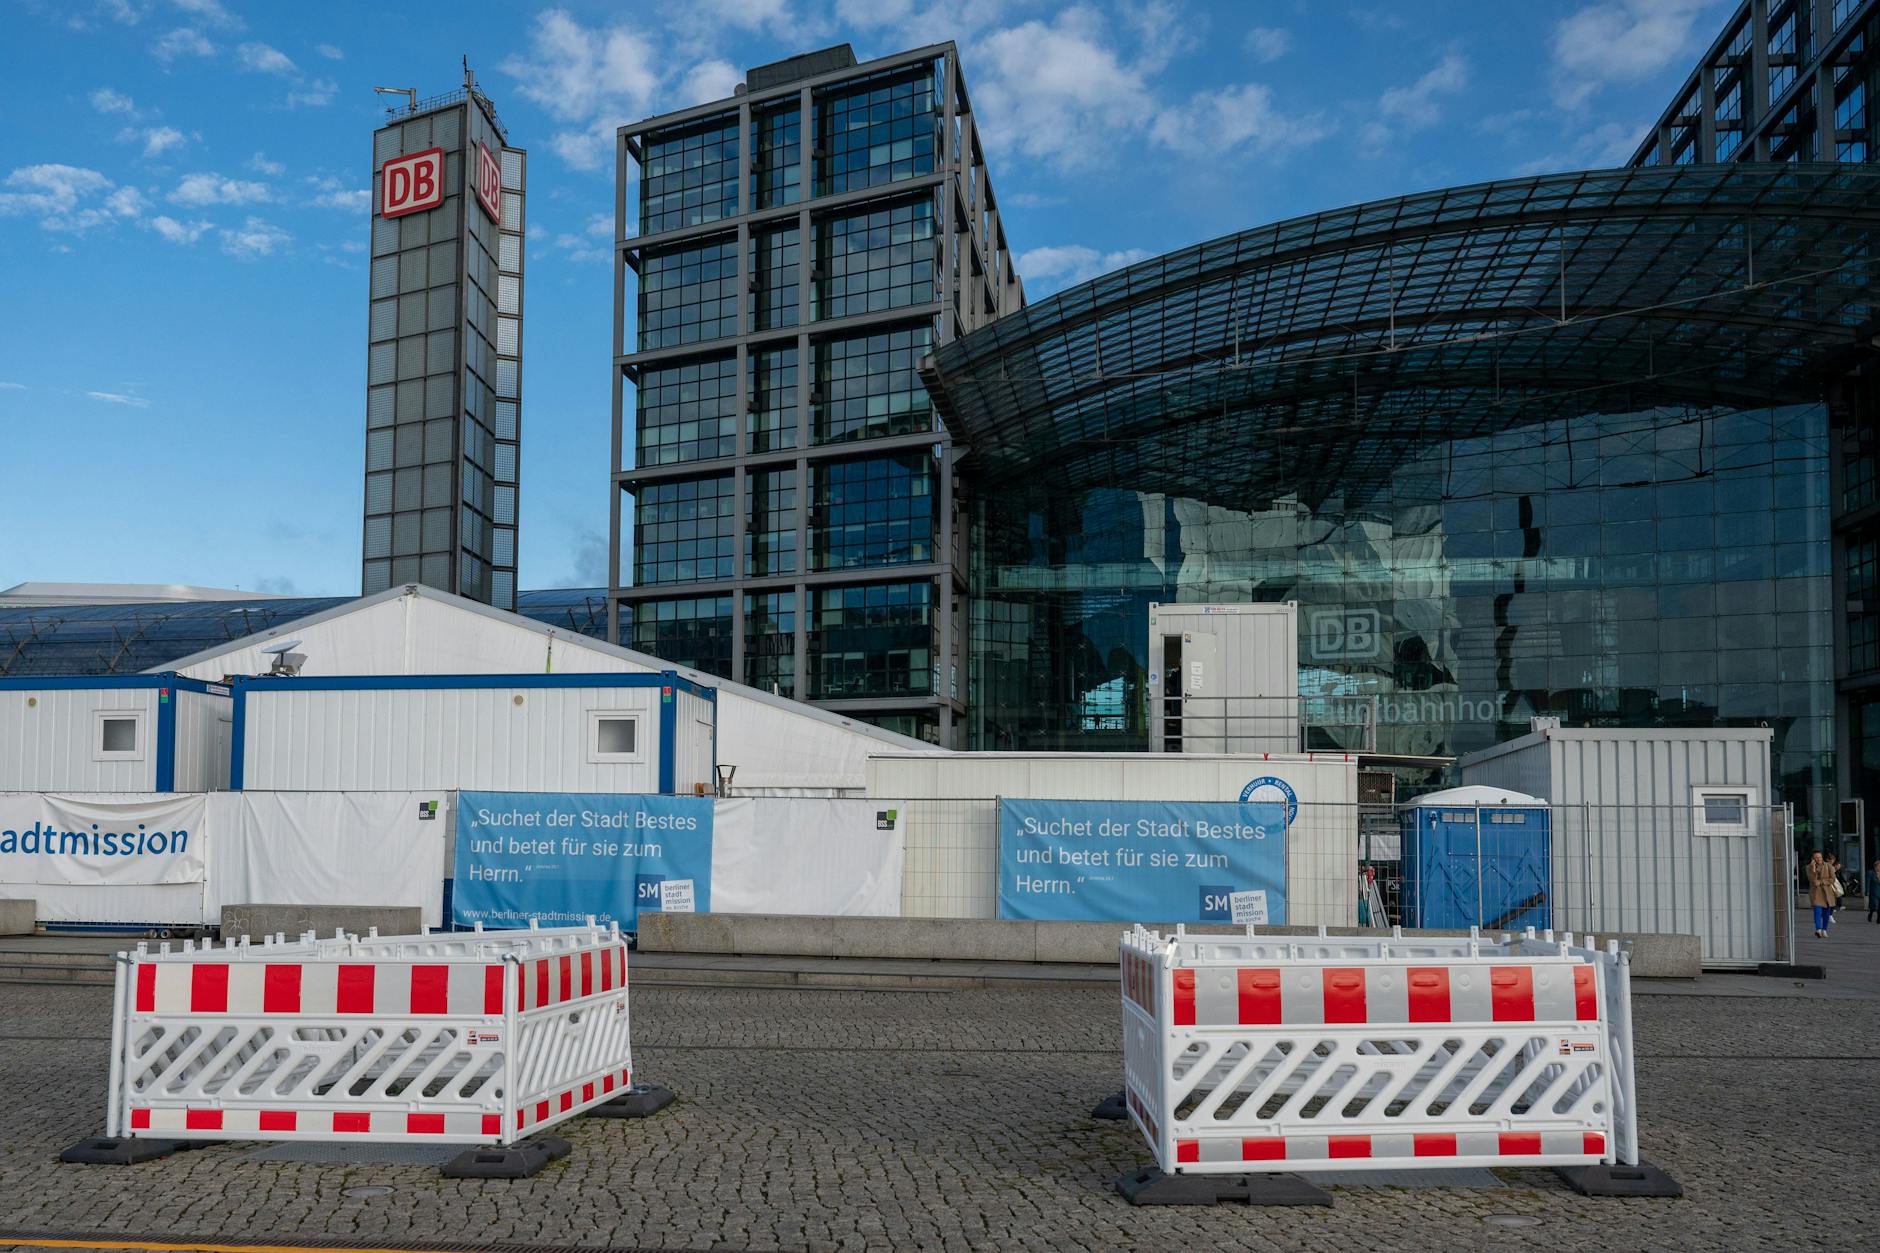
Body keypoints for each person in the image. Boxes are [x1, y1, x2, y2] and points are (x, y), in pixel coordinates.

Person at [1807, 850, 1836, 938]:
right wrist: (1813, 870)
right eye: (1816, 857)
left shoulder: (1828, 866)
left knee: (1826, 912)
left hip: (1827, 892)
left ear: (1822, 857)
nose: (1818, 859)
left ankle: (1824, 930)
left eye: (1819, 857)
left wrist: (1821, 882)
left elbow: (1832, 879)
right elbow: (1812, 880)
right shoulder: (1809, 867)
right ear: (1813, 859)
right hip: (1816, 893)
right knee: (1817, 910)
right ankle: (1818, 930)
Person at [1868, 858, 1880, 924]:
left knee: (1879, 907)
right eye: (1879, 866)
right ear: (1876, 866)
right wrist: (1867, 891)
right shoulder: (1871, 872)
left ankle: (1878, 919)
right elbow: (1868, 882)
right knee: (1875, 906)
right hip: (1874, 892)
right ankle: (1870, 914)